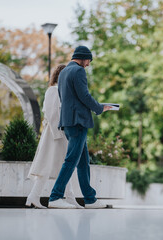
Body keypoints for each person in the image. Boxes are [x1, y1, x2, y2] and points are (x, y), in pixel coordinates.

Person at [48, 46, 112, 209]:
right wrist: (99, 107)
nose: (88, 64)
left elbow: (67, 98)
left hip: (68, 121)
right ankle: (55, 196)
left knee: (83, 162)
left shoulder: (63, 73)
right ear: (83, 58)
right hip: (78, 121)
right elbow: (84, 95)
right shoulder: (78, 71)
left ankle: (90, 199)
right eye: (89, 60)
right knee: (71, 160)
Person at [26, 64, 82, 209]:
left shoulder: (61, 91)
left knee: (63, 166)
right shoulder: (53, 90)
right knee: (48, 165)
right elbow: (51, 114)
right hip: (54, 135)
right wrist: (59, 134)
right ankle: (34, 196)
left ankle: (69, 197)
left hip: (60, 134)